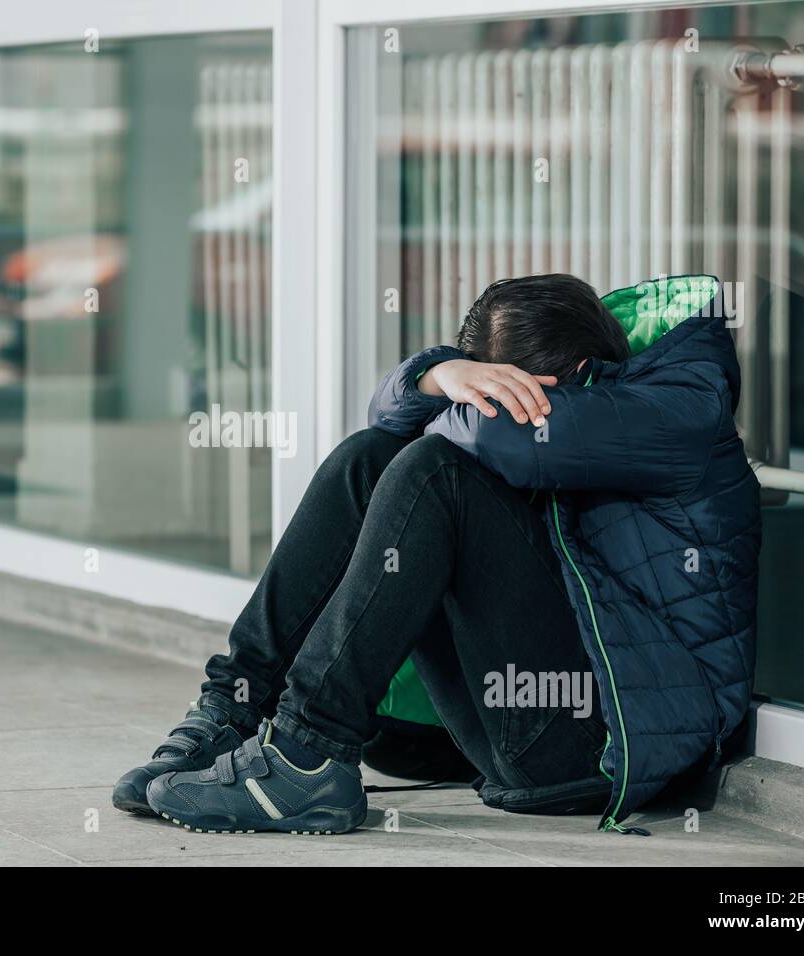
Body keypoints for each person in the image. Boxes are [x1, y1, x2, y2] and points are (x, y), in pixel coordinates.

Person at [112, 273, 761, 836]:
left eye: (506, 389)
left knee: (432, 468)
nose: (484, 401)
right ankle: (235, 708)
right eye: (484, 385)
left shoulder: (679, 404)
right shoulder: (566, 396)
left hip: (599, 743)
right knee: (368, 457)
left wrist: (440, 387)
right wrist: (439, 375)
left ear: (576, 379)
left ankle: (305, 752)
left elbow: (508, 438)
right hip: (498, 723)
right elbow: (388, 420)